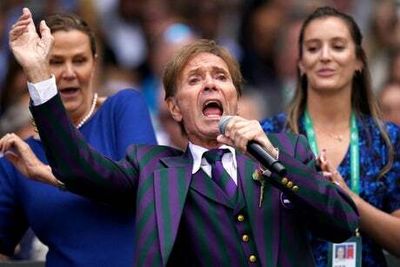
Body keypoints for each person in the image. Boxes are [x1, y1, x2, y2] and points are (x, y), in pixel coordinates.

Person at [5, 8, 359, 267]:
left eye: (220, 77)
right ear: (174, 108)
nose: (209, 83)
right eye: (194, 80)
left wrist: (275, 163)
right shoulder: (154, 169)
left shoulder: (285, 148)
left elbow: (342, 223)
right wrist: (39, 74)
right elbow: (78, 168)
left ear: (235, 96)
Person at [0, 10, 157, 266]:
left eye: (80, 60)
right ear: (31, 66)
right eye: (55, 61)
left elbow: (135, 188)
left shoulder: (123, 108)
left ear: (94, 63)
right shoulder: (18, 159)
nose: (69, 72)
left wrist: (47, 175)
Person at [261, 6, 400, 267]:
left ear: (359, 60)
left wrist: (348, 200)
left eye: (337, 46)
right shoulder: (271, 135)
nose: (325, 56)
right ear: (301, 62)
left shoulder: (389, 140)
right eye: (313, 48)